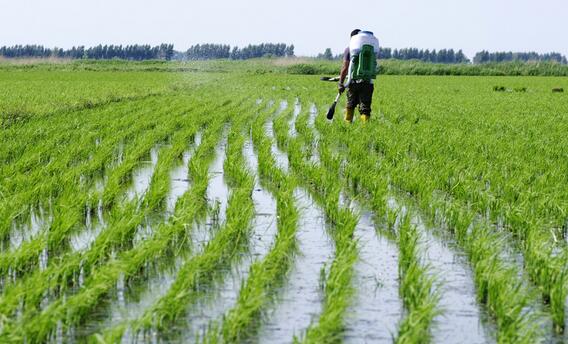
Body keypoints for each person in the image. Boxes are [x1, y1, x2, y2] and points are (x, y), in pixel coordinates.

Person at [338, 29, 379, 123]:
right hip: (367, 83)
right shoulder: (371, 49)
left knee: (350, 105)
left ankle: (348, 126)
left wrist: (340, 83)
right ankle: (365, 129)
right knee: (365, 108)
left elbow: (345, 67)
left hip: (353, 83)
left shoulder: (349, 49)